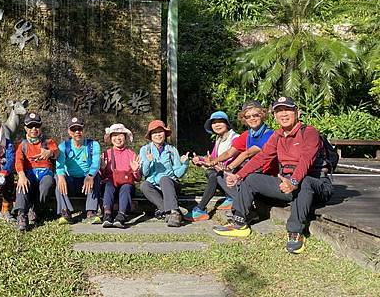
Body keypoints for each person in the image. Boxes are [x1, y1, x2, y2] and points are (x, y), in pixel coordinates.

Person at [213, 97, 334, 254]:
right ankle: (239, 222)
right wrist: (239, 175)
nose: (283, 114)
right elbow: (262, 157)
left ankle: (295, 232)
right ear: (274, 116)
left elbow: (307, 160)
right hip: (289, 185)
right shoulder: (277, 136)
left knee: (305, 182)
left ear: (297, 112)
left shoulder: (309, 132)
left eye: (287, 110)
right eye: (279, 111)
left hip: (317, 185)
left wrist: (293, 181)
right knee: (252, 179)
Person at [185, 111, 238, 221]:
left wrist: (213, 163)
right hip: (223, 174)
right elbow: (213, 158)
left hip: (234, 175)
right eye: (214, 123)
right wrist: (200, 159)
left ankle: (200, 208)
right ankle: (229, 196)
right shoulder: (219, 139)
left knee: (213, 174)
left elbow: (230, 156)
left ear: (227, 124)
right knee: (210, 173)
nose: (217, 125)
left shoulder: (235, 138)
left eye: (220, 122)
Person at [139, 120, 189, 227]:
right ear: (151, 136)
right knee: (144, 185)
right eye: (154, 133)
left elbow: (178, 173)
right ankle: (171, 211)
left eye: (160, 132)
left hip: (170, 185)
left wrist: (185, 164)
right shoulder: (145, 150)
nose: (158, 135)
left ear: (165, 134)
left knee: (164, 179)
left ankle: (174, 214)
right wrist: (148, 161)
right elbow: (145, 173)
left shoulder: (171, 150)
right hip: (154, 186)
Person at [13, 112, 58, 231]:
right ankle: (22, 215)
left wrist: (50, 153)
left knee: (47, 185)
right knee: (22, 185)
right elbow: (18, 161)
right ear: (25, 128)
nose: (34, 129)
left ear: (40, 127)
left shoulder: (48, 142)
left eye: (36, 126)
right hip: (29, 172)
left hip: (45, 172)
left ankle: (36, 209)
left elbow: (57, 152)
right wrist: (21, 175)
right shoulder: (22, 144)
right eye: (30, 126)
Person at [55, 117, 102, 225]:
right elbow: (60, 165)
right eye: (73, 129)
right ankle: (65, 212)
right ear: (69, 132)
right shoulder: (63, 146)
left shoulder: (93, 145)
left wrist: (90, 175)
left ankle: (91, 212)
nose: (77, 132)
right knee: (58, 177)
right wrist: (61, 177)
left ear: (84, 130)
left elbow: (96, 163)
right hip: (70, 182)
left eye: (79, 129)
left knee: (96, 176)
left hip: (87, 182)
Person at [100, 123, 141, 228]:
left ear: (126, 137)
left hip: (126, 185)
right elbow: (102, 177)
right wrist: (102, 168)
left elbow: (137, 179)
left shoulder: (131, 154)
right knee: (108, 185)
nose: (118, 138)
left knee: (126, 186)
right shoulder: (106, 154)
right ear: (110, 138)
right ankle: (107, 214)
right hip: (111, 184)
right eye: (114, 135)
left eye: (121, 135)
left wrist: (135, 170)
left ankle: (121, 215)